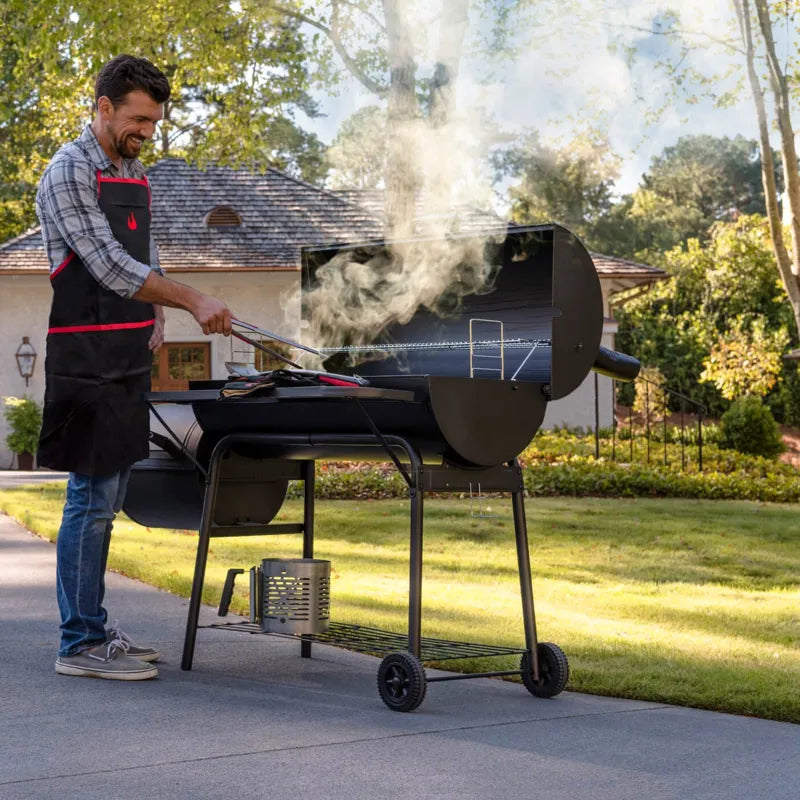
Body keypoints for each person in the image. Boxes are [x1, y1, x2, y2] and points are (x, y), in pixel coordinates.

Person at [36, 54, 233, 681]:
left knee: (113, 494)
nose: (147, 132)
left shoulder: (131, 169)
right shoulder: (68, 172)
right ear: (104, 107)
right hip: (87, 355)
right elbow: (108, 264)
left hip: (127, 352)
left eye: (153, 122)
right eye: (139, 120)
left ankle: (93, 628)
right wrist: (193, 298)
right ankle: (79, 644)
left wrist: (157, 315)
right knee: (91, 498)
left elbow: (143, 251)